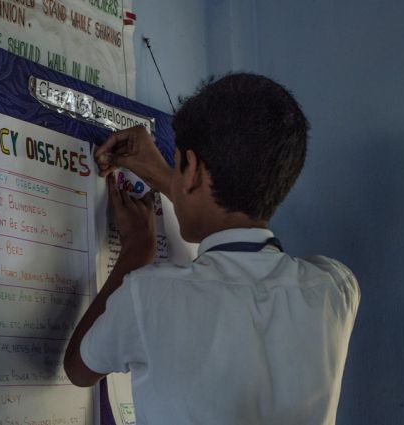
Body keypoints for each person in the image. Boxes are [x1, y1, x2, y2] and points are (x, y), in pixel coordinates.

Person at [64, 73, 360, 424]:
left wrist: (136, 250)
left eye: (178, 164)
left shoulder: (149, 294)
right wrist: (171, 177)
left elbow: (79, 369)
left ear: (191, 170)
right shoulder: (335, 288)